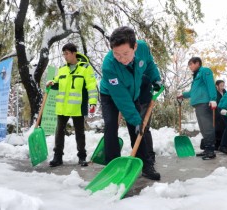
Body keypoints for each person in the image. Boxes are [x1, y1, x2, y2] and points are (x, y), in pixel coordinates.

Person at [100, 26, 163, 180]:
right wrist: (135, 120)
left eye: (125, 54)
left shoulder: (142, 48)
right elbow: (121, 98)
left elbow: (149, 64)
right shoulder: (109, 65)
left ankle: (146, 165)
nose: (121, 58)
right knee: (111, 125)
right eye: (117, 54)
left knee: (138, 129)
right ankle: (112, 166)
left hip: (132, 93)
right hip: (110, 94)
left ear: (134, 47)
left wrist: (156, 78)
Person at [46, 43, 98, 167]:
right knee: (59, 132)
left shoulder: (85, 68)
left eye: (67, 53)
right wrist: (51, 83)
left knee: (80, 133)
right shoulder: (62, 69)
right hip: (62, 107)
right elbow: (57, 83)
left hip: (77, 107)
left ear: (74, 53)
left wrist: (93, 102)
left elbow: (91, 86)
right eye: (63, 54)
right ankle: (57, 157)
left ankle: (82, 157)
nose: (65, 56)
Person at [177, 57, 217, 160]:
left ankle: (211, 151)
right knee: (203, 127)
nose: (190, 66)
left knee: (207, 127)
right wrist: (183, 95)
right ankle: (207, 149)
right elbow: (192, 92)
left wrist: (213, 99)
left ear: (198, 63)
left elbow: (211, 85)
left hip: (204, 102)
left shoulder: (205, 71)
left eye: (191, 64)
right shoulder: (196, 77)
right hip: (198, 104)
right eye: (189, 64)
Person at [139, 74, 155, 163]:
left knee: (144, 129)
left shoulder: (143, 76)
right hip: (138, 103)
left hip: (144, 103)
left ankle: (149, 155)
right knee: (141, 129)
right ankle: (143, 154)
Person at [214, 80, 226, 150]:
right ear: (217, 86)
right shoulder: (215, 93)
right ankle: (217, 144)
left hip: (224, 112)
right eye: (221, 85)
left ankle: (222, 143)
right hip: (217, 112)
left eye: (223, 85)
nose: (222, 87)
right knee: (218, 128)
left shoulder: (225, 92)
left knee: (224, 127)